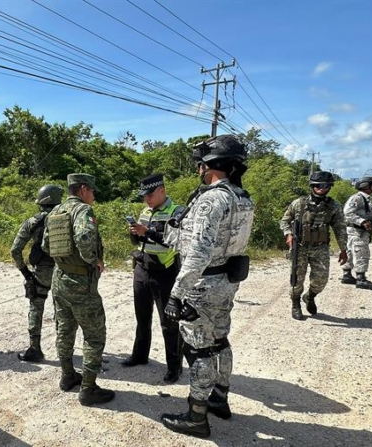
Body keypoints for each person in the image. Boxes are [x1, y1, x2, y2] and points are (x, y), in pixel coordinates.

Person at [159, 135, 254, 439]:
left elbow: (198, 252)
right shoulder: (242, 197)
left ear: (210, 165)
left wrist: (176, 293)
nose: (198, 169)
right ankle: (220, 398)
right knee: (220, 340)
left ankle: (196, 417)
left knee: (198, 349)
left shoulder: (211, 199)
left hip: (201, 284)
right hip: (227, 281)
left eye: (201, 164)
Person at [41, 173, 114, 406]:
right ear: (83, 190)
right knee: (94, 335)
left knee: (65, 329)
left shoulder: (55, 211)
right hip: (81, 282)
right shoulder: (82, 211)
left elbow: (45, 245)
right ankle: (89, 389)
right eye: (91, 191)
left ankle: (67, 376)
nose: (93, 196)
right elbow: (84, 237)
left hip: (59, 278)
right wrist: (94, 260)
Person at [123, 173, 184, 383]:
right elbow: (137, 241)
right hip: (142, 267)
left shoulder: (177, 212)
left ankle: (175, 366)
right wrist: (135, 233)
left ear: (162, 190)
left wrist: (147, 231)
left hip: (165, 272)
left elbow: (176, 242)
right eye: (143, 196)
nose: (146, 199)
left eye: (149, 194)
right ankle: (140, 356)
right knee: (142, 317)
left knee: (169, 322)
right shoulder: (145, 211)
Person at [279, 171, 348, 321]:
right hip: (301, 246)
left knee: (321, 280)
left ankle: (309, 297)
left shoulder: (334, 206)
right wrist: (288, 234)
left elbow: (340, 228)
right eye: (318, 185)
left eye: (326, 186)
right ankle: (295, 304)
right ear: (312, 186)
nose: (322, 188)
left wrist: (343, 249)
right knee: (296, 279)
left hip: (320, 247)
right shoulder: (299, 203)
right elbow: (285, 220)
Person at [10, 184, 63, 362]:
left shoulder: (33, 222)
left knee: (36, 308)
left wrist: (25, 273)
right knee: (63, 311)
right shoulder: (67, 219)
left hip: (40, 272)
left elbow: (15, 250)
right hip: (63, 271)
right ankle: (65, 350)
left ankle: (35, 348)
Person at [341, 176, 372, 289]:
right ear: (366, 186)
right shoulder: (357, 198)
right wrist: (362, 221)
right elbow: (348, 213)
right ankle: (361, 279)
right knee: (362, 253)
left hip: (357, 231)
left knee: (350, 252)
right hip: (357, 231)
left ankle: (347, 274)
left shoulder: (367, 199)